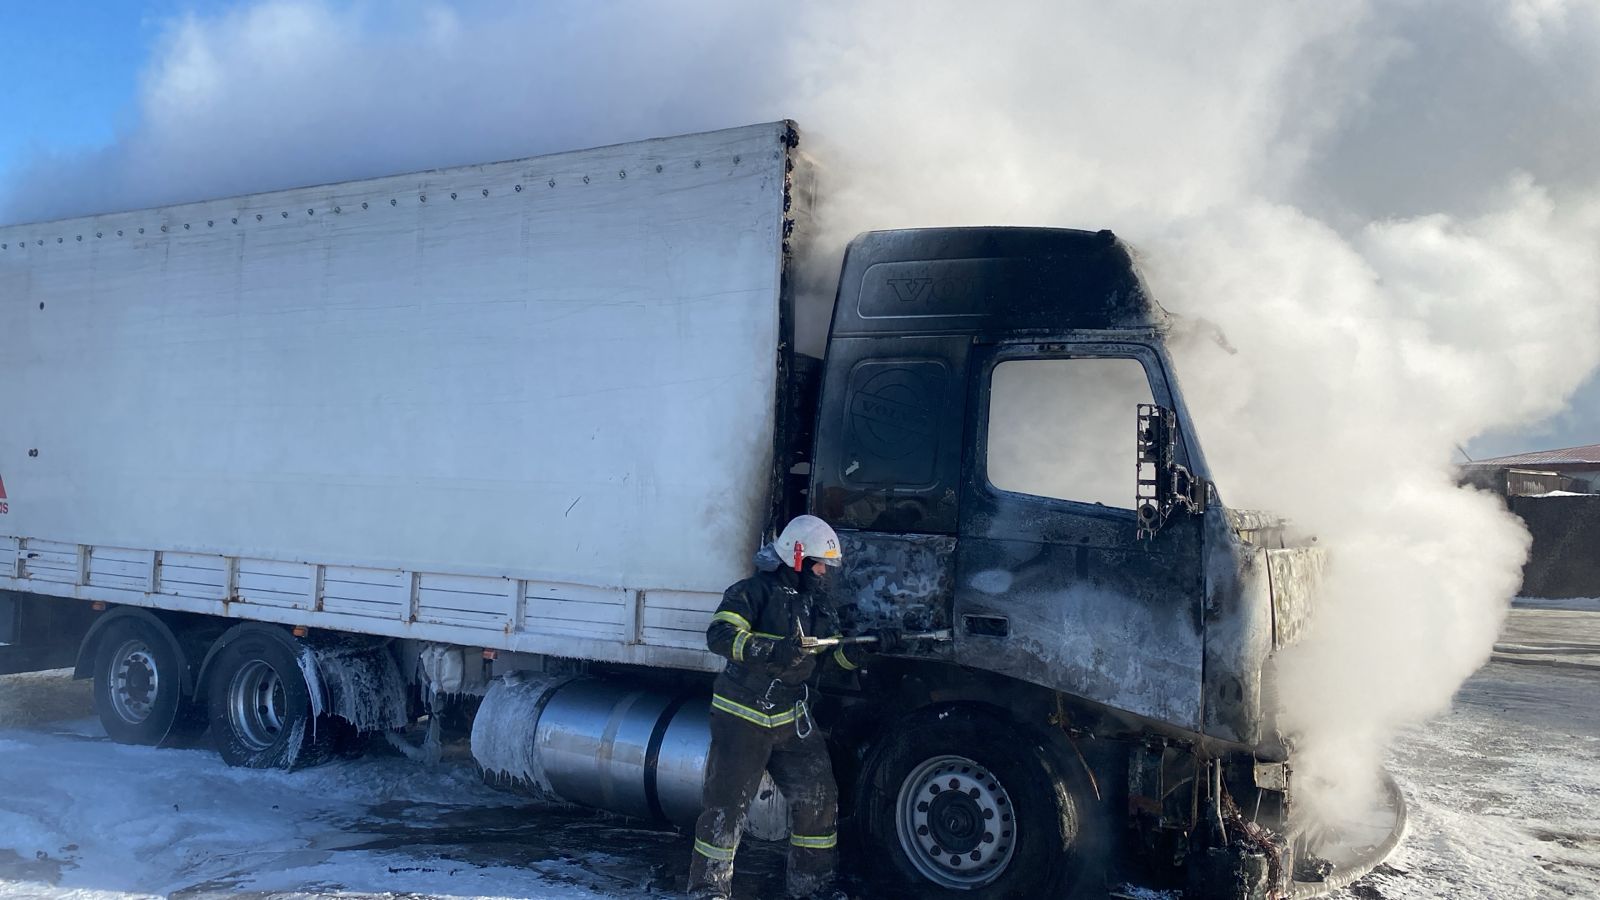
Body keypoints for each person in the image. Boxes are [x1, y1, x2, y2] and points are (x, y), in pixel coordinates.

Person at [686, 515, 887, 900]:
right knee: (726, 807)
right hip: (742, 714)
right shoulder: (751, 592)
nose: (823, 573)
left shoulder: (818, 606)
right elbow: (720, 635)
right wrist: (771, 650)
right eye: (819, 564)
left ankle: (812, 887)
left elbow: (830, 662)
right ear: (796, 558)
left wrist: (862, 651)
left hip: (791, 718)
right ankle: (708, 890)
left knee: (819, 799)